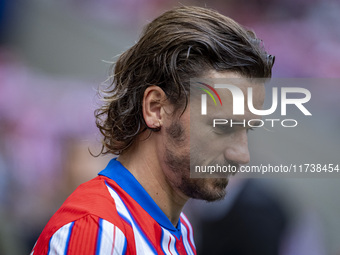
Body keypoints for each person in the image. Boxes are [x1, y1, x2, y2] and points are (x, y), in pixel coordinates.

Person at [31, 6, 274, 255]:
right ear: (156, 109)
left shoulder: (179, 232)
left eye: (246, 129)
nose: (242, 155)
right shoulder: (99, 231)